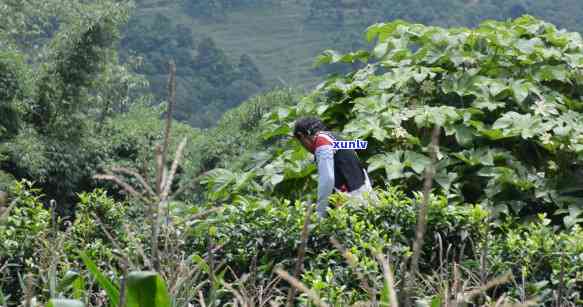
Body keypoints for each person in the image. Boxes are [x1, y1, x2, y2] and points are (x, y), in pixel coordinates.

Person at [293, 117, 373, 218]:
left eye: (301, 143)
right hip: (365, 195)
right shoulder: (334, 137)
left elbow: (327, 180)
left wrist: (320, 213)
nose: (304, 147)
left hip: (354, 202)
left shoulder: (321, 142)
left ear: (302, 136)